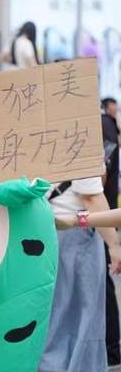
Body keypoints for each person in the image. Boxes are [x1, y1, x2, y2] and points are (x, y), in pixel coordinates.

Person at [40, 177, 121, 372]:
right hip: (74, 236)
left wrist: (76, 220)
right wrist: (113, 243)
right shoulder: (81, 157)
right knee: (81, 318)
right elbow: (91, 197)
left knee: (54, 316)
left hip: (47, 229)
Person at [101, 97, 121, 368]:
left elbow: (103, 181)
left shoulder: (102, 123)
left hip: (95, 221)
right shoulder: (105, 124)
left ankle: (112, 350)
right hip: (98, 219)